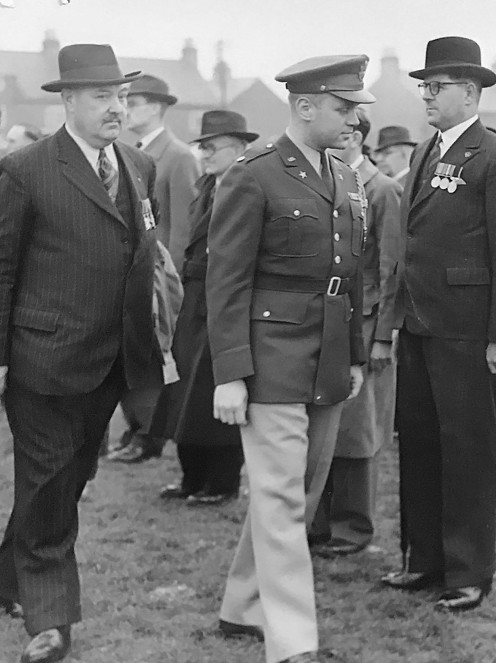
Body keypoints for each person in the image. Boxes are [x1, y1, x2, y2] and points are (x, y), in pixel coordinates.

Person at [207, 55, 374, 663]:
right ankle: (292, 642)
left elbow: (351, 276)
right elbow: (225, 283)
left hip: (329, 355)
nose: (354, 119)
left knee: (298, 493)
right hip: (270, 356)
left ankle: (240, 606)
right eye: (344, 107)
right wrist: (230, 374)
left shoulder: (348, 179)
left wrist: (354, 356)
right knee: (279, 498)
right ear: (304, 107)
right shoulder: (253, 176)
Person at [0, 43, 163, 663]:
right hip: (44, 359)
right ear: (67, 100)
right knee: (46, 480)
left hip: (113, 362)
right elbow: (2, 270)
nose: (117, 107)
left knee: (67, 480)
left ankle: (9, 575)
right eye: (102, 96)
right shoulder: (26, 169)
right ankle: (51, 621)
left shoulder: (139, 168)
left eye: (122, 96)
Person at [379, 35, 496, 612]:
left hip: (468, 330)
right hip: (419, 325)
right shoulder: (425, 151)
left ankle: (469, 570)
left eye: (436, 86)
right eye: (424, 86)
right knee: (417, 443)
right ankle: (423, 559)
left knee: (468, 449)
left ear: (470, 93)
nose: (426, 95)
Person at [151, 110, 258, 506]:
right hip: (196, 299)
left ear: (239, 148)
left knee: (216, 391)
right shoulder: (206, 187)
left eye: (212, 147)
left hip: (225, 300)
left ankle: (223, 482)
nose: (205, 154)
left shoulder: (247, 188)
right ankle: (192, 478)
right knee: (184, 394)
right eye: (203, 147)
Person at [310, 107, 400, 558]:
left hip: (364, 325)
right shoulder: (325, 183)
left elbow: (391, 267)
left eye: (346, 134)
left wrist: (384, 333)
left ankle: (353, 526)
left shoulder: (382, 190)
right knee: (325, 425)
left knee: (360, 431)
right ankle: (319, 520)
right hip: (328, 322)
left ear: (358, 138)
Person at [110, 73, 201, 464]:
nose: (126, 110)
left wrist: (170, 289)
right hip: (131, 276)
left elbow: (184, 227)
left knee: (154, 358)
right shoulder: (127, 152)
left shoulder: (178, 156)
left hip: (160, 280)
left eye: (135, 102)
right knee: (129, 355)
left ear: (159, 108)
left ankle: (150, 435)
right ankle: (135, 429)